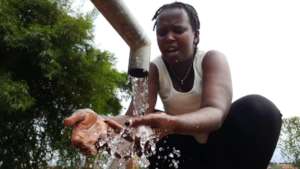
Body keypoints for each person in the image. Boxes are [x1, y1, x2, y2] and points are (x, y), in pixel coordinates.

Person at [64, 2, 282, 169]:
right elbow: (134, 117)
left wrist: (172, 122)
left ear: (195, 36)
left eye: (178, 30)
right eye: (161, 32)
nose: (169, 37)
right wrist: (101, 121)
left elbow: (215, 113)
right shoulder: (153, 70)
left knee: (259, 109)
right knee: (146, 130)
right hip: (182, 154)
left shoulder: (211, 59)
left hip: (220, 150)